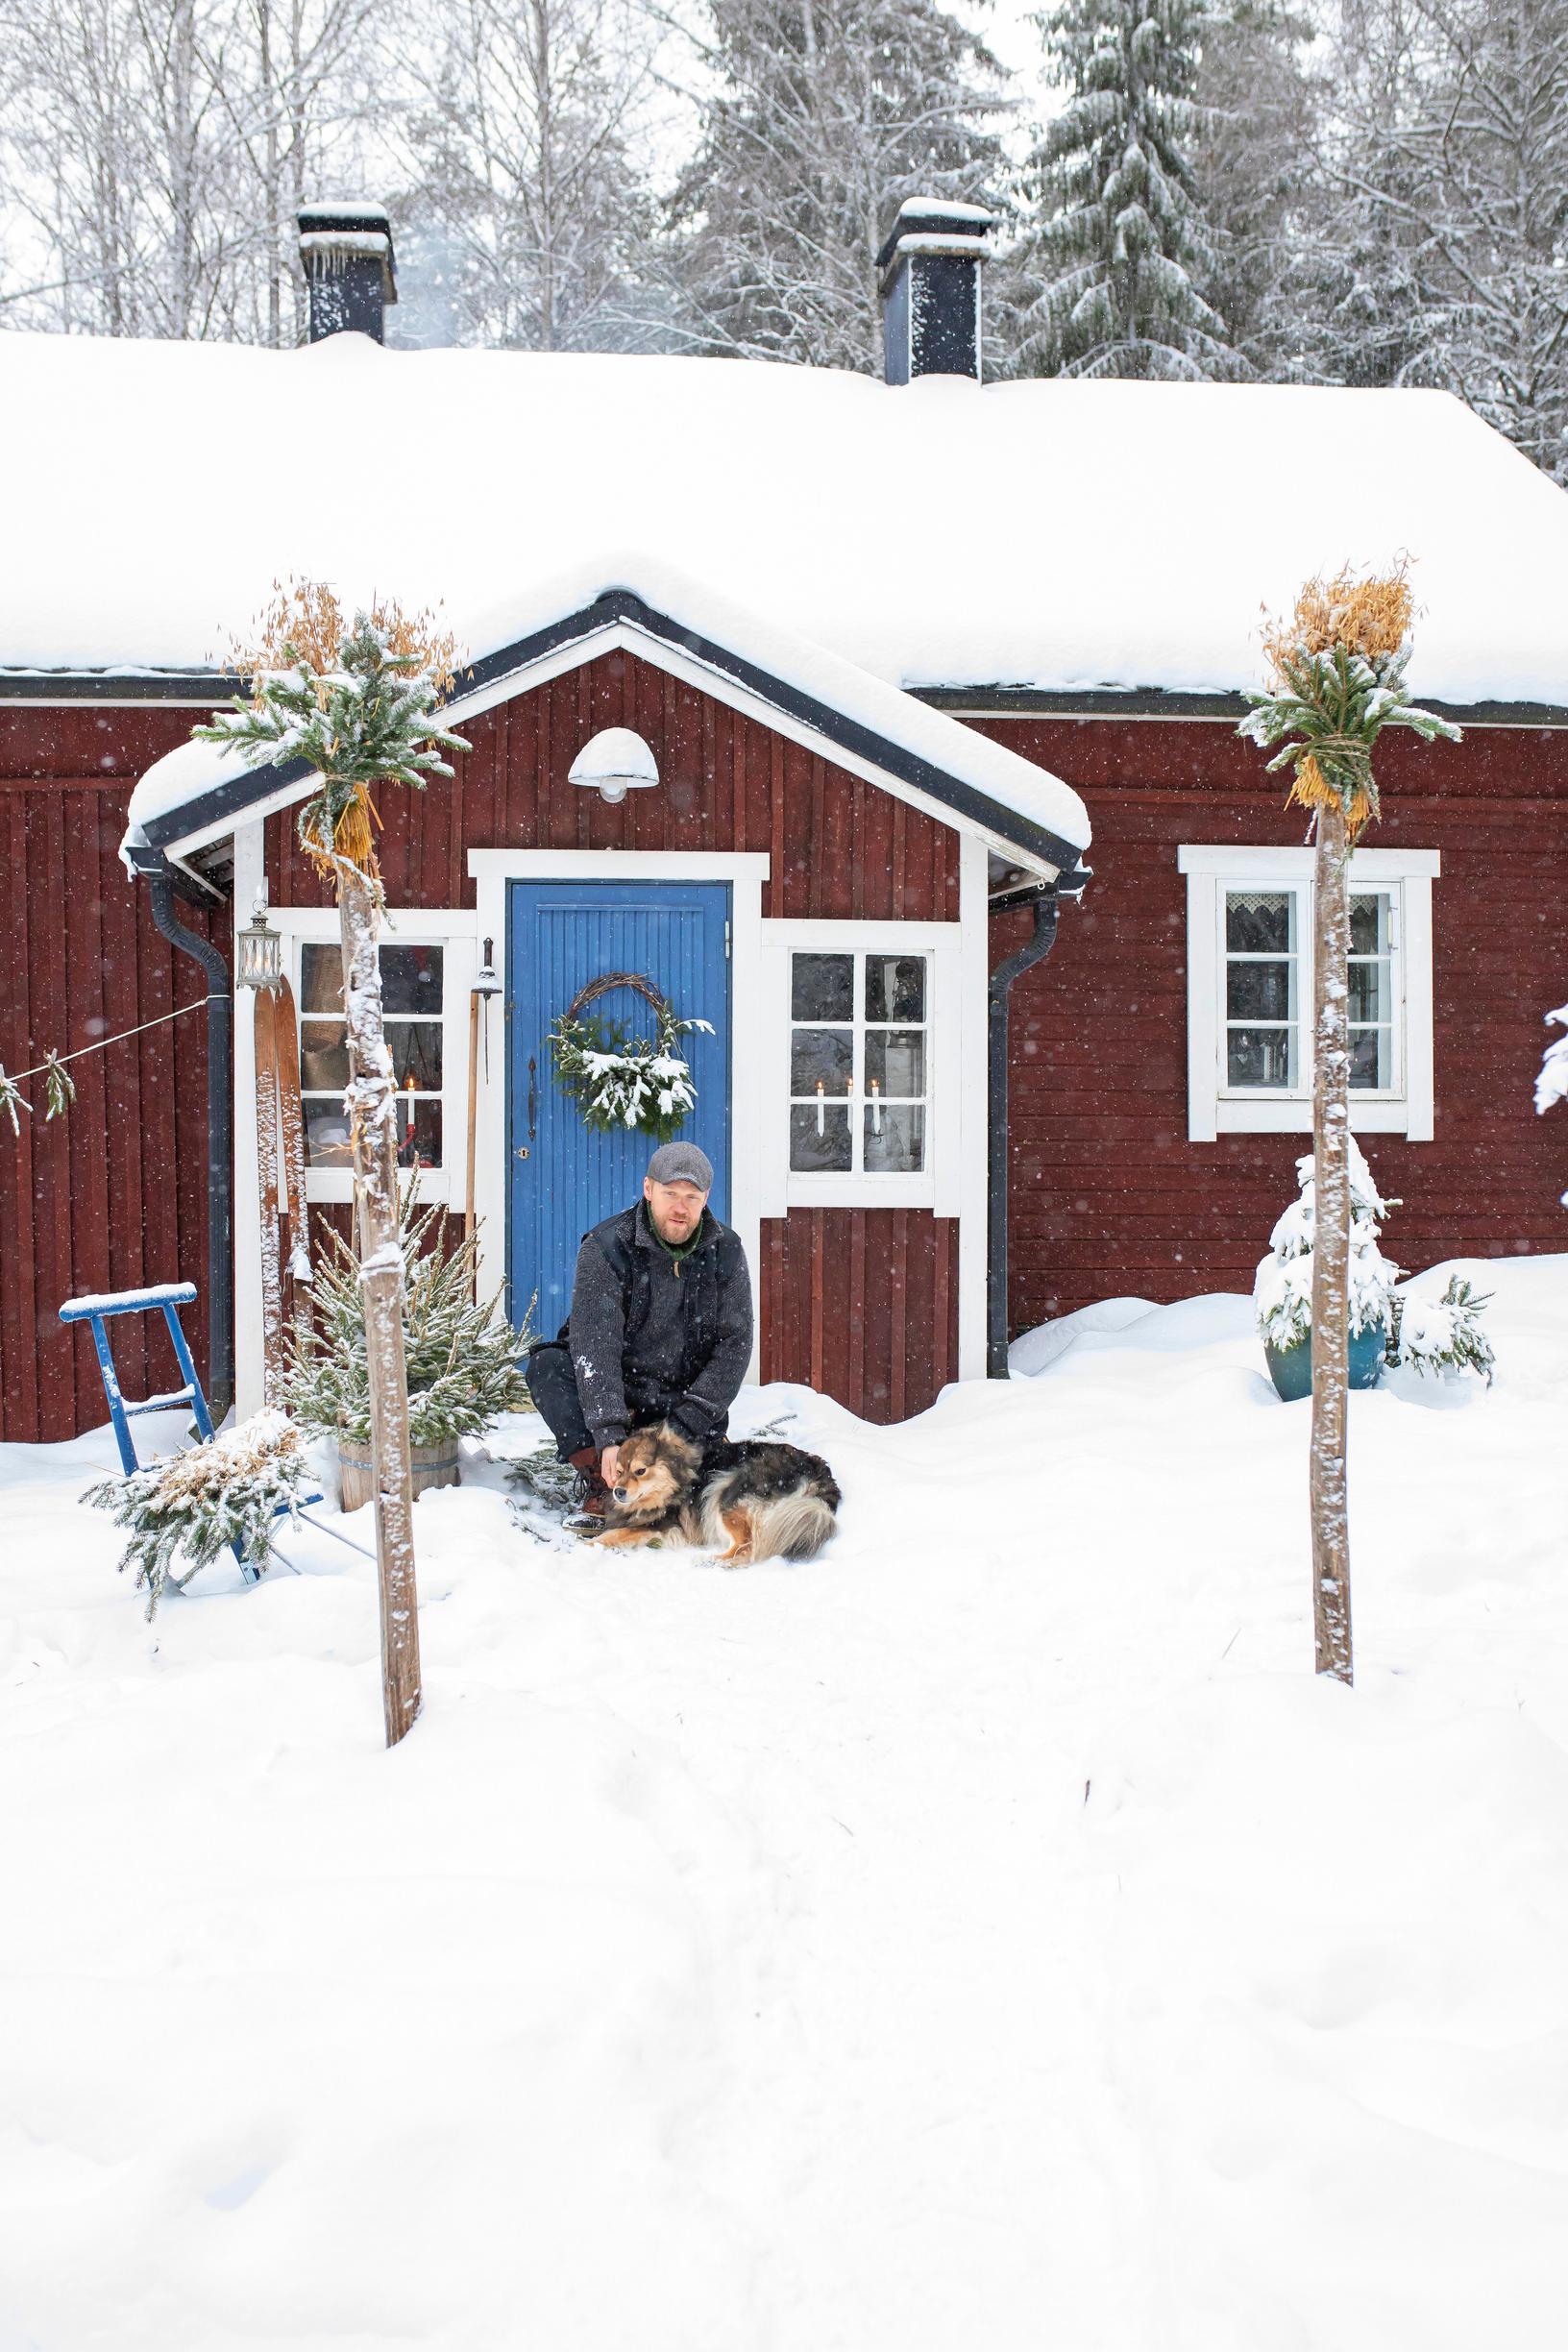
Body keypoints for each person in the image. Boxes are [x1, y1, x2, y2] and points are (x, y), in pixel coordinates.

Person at [525, 1140, 753, 1525]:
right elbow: (595, 1346)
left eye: (691, 1197)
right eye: (670, 1194)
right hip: (623, 1392)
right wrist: (609, 1433)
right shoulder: (606, 1247)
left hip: (681, 1397)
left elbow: (736, 1345)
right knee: (549, 1367)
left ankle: (689, 1456)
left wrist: (686, 1424)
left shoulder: (726, 1251)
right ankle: (604, 1478)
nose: (680, 1207)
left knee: (707, 1496)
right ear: (648, 1189)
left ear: (706, 1198)